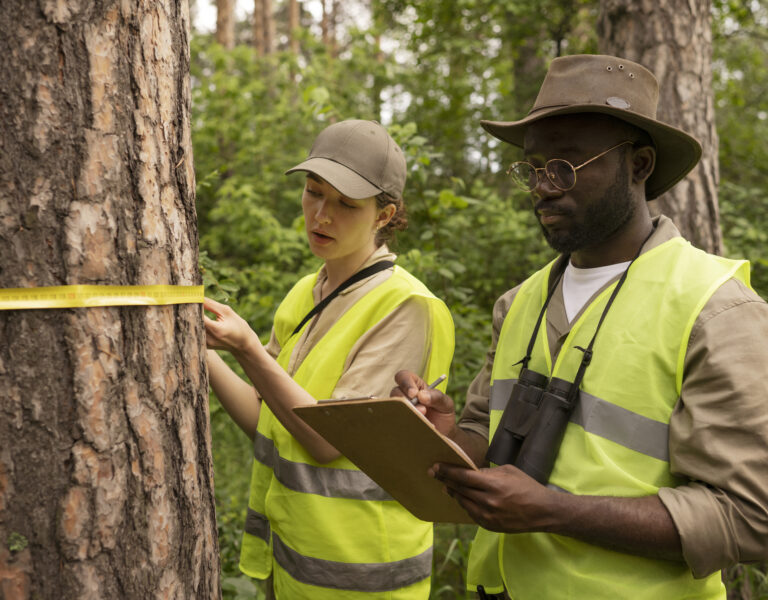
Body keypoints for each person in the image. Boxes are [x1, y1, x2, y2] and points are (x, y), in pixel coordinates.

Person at [394, 54, 768, 599]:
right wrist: (445, 435)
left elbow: (750, 513)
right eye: (532, 168)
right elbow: (484, 438)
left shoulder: (715, 310)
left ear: (639, 165)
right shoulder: (519, 303)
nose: (543, 187)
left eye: (565, 166)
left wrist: (555, 512)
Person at [203, 119, 455, 599]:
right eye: (314, 192)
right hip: (292, 565)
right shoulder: (306, 292)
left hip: (365, 579)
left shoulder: (407, 308)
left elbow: (324, 442)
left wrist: (246, 348)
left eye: (346, 204)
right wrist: (199, 349)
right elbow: (266, 418)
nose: (321, 215)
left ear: (384, 215)